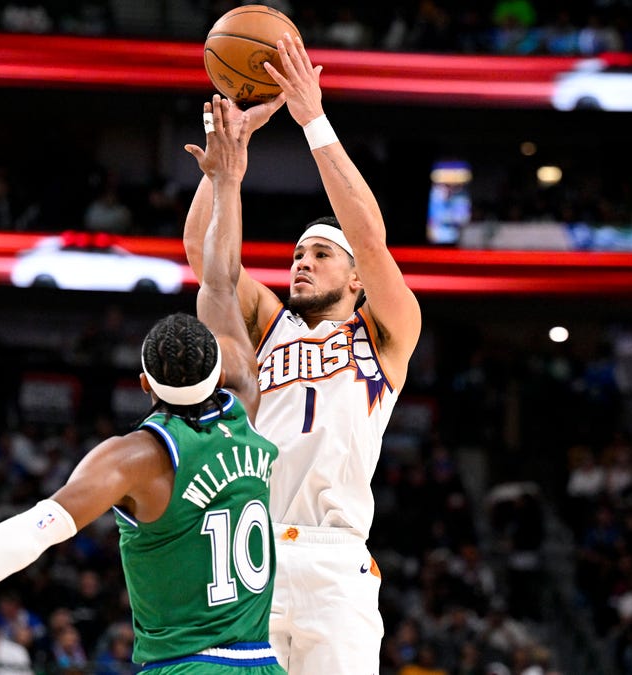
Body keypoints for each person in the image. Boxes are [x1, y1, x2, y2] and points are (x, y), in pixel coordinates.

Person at [0, 95, 286, 674]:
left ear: (144, 383)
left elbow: (32, 533)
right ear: (220, 369)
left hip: (184, 665)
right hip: (262, 662)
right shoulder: (245, 401)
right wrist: (229, 178)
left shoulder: (135, 458)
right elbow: (221, 284)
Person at [181, 33, 422, 674]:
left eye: (320, 255)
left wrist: (312, 119)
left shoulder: (386, 332)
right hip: (250, 550)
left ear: (357, 280)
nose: (302, 263)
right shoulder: (269, 326)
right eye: (296, 256)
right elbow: (205, 259)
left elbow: (371, 241)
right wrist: (229, 160)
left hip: (334, 561)